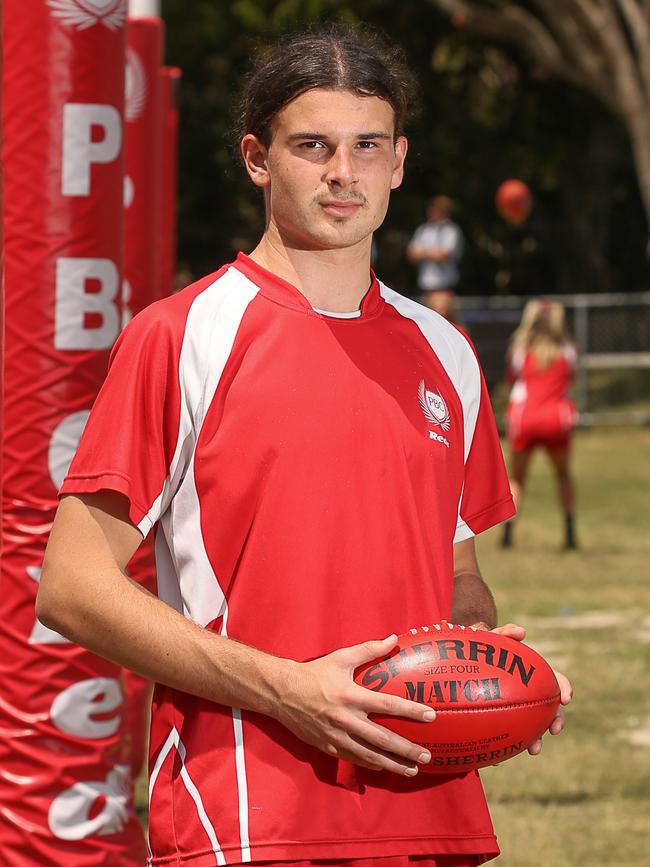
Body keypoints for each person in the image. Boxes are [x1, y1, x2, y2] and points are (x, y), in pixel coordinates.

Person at [37, 25, 571, 867]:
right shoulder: (182, 336)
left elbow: (459, 575)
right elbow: (70, 587)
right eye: (312, 144)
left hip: (424, 804)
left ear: (399, 160)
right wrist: (290, 689)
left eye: (366, 146)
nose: (342, 172)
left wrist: (489, 667)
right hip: (248, 808)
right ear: (258, 157)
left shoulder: (446, 352)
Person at [501, 299, 579, 550]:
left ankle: (507, 536)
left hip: (525, 419)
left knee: (517, 479)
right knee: (563, 475)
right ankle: (569, 534)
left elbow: (511, 378)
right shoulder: (567, 350)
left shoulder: (520, 351)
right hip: (556, 418)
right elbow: (571, 378)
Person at [406, 195, 463, 320]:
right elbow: (411, 254)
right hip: (426, 290)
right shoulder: (424, 230)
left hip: (443, 290)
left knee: (447, 325)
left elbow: (442, 255)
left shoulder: (451, 231)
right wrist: (432, 253)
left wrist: (423, 252)